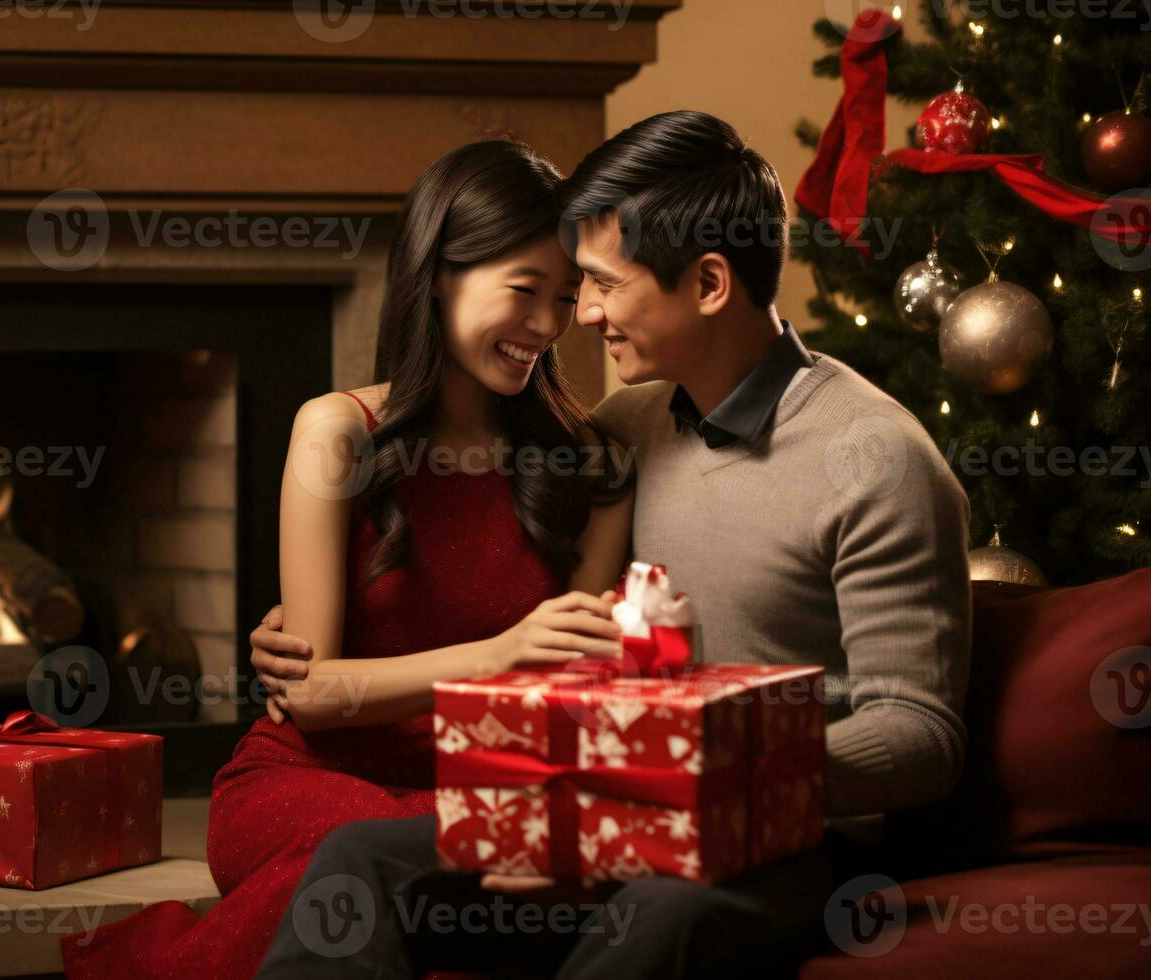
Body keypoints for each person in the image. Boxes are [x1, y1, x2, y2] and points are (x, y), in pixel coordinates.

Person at [251, 110, 974, 980]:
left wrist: (677, 783)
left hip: (781, 841)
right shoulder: (624, 431)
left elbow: (921, 735)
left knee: (652, 918)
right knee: (359, 864)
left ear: (707, 283)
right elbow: (511, 581)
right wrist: (311, 640)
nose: (578, 316)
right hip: (608, 807)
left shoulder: (873, 460)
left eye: (596, 283)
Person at [59, 139, 635, 980]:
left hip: (478, 791)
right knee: (379, 860)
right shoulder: (337, 433)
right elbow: (314, 695)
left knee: (436, 886)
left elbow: (573, 695)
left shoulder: (594, 462)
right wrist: (501, 656)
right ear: (439, 272)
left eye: (564, 297)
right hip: (307, 781)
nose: (547, 328)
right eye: (522, 291)